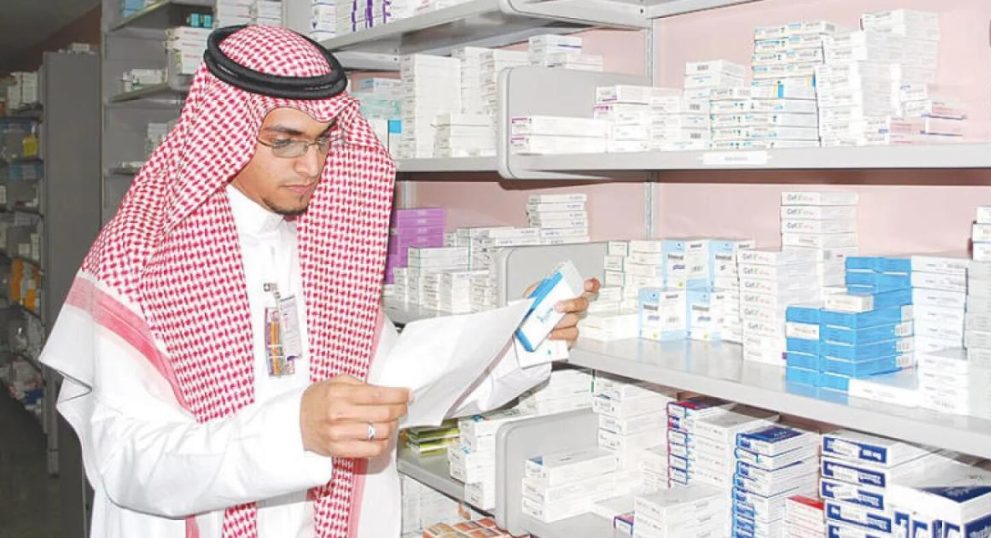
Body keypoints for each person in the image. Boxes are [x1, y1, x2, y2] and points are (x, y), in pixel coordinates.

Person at [40, 24, 599, 538]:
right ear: (221, 131)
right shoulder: (138, 261)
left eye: (322, 140)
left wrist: (519, 339)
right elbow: (126, 461)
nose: (311, 165)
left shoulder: (321, 249)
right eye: (285, 141)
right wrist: (293, 432)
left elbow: (392, 388)